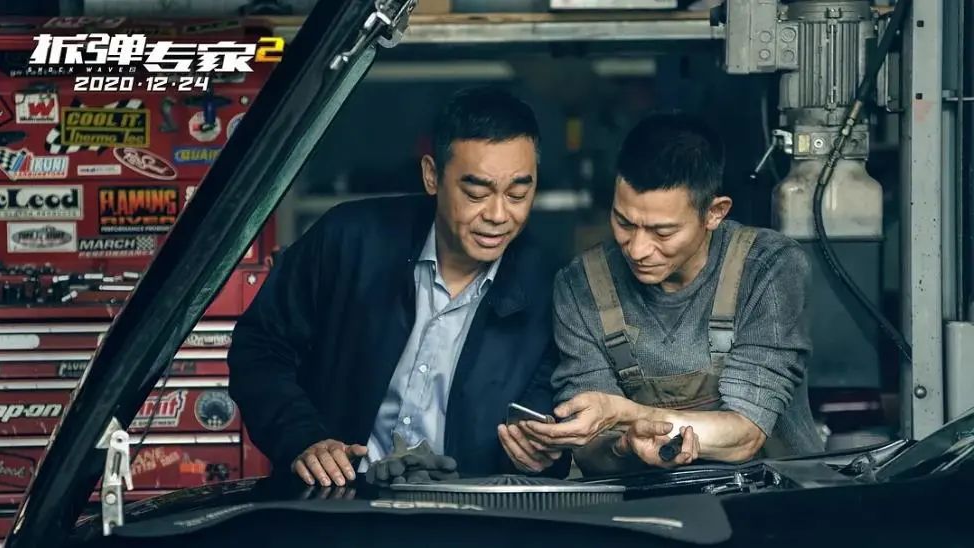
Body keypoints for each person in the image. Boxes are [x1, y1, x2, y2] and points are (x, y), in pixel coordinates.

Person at [228, 87, 565, 487]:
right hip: (337, 503)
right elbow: (260, 347)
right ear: (431, 176)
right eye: (476, 193)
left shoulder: (551, 290)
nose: (498, 214)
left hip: (468, 513)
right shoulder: (349, 241)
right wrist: (303, 438)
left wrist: (539, 454)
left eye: (518, 194)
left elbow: (547, 419)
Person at [519, 113, 824, 475]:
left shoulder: (768, 267)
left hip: (775, 498)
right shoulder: (581, 286)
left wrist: (625, 414)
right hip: (657, 503)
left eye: (662, 232)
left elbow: (745, 435)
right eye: (624, 222)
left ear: (714, 213)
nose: (637, 249)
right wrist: (623, 445)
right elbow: (590, 451)